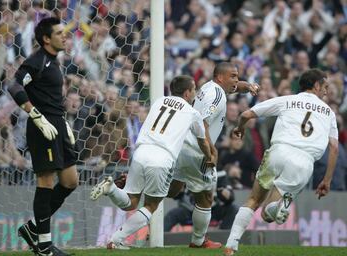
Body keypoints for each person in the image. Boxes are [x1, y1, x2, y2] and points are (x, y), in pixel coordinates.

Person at [89, 75, 215, 249]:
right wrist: (209, 157)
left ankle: (111, 189)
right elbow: (202, 141)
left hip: (141, 152)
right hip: (162, 158)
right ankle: (116, 240)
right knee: (151, 205)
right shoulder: (192, 113)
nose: (195, 93)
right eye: (194, 90)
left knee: (131, 201)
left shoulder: (159, 101)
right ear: (187, 93)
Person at [223, 68, 339, 256]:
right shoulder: (329, 113)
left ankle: (230, 246)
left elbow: (246, 115)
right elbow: (334, 148)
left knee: (253, 200)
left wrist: (240, 129)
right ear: (316, 85)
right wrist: (326, 180)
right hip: (303, 163)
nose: (326, 91)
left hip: (278, 151)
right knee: (268, 216)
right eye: (325, 86)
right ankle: (278, 206)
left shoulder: (288, 100)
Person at [168, 62, 260, 248]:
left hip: (182, 145)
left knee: (172, 190)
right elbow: (203, 123)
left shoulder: (209, 87)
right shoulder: (216, 96)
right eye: (233, 76)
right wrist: (211, 150)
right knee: (206, 197)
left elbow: (235, 88)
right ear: (221, 78)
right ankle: (198, 241)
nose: (236, 79)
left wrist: (248, 86)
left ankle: (132, 186)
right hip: (198, 150)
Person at [8, 17, 78, 256]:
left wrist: (64, 122)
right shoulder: (36, 61)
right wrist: (34, 113)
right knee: (46, 182)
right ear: (46, 39)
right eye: (59, 33)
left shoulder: (53, 61)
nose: (64, 36)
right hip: (42, 127)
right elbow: (14, 86)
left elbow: (51, 96)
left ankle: (33, 230)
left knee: (70, 182)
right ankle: (45, 247)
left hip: (57, 125)